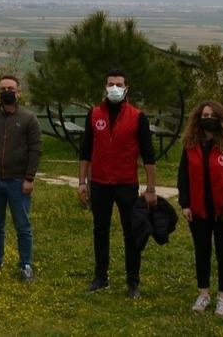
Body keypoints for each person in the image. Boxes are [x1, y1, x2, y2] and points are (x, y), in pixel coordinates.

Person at [77, 68, 158, 298]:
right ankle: (100, 278)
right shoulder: (94, 115)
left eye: (119, 84)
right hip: (100, 183)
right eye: (111, 83)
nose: (115, 88)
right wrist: (82, 182)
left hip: (126, 183)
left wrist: (151, 189)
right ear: (105, 86)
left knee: (131, 233)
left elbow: (148, 156)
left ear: (126, 88)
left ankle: (133, 282)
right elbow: (86, 151)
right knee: (100, 231)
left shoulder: (137, 117)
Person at [178, 101, 223, 318]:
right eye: (204, 114)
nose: (208, 118)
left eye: (212, 115)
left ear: (220, 120)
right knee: (202, 253)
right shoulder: (190, 147)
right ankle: (204, 294)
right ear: (198, 118)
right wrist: (185, 204)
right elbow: (183, 178)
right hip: (198, 211)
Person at [0, 74, 42, 279]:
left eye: (10, 89)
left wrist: (29, 178)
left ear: (18, 92)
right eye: (3, 89)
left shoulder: (29, 119)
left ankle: (26, 265)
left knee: (22, 224)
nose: (7, 92)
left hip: (18, 181)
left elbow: (35, 150)